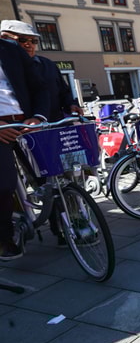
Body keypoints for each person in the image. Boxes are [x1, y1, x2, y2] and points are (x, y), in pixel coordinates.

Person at [0, 35, 49, 260]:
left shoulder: (9, 48)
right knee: (3, 186)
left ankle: (64, 226)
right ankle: (4, 238)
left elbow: (39, 86)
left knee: (50, 176)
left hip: (25, 122)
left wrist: (38, 116)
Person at [1, 21, 82, 121]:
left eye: (33, 41)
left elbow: (64, 92)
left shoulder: (48, 65)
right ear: (4, 38)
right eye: (22, 40)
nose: (29, 45)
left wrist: (71, 104)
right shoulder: (5, 68)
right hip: (23, 125)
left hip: (53, 123)